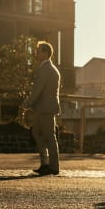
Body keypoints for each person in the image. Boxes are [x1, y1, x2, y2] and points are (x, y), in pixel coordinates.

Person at [23, 41, 61, 176]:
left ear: (45, 53)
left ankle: (53, 167)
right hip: (43, 108)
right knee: (37, 134)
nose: (36, 53)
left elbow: (38, 89)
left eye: (38, 51)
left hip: (45, 108)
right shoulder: (49, 68)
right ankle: (45, 164)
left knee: (49, 137)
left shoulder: (46, 69)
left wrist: (27, 103)